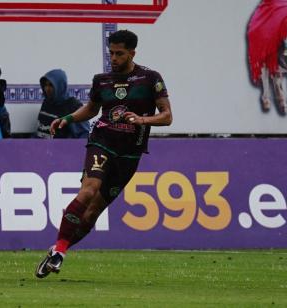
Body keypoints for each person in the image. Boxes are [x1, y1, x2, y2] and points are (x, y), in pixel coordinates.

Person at [35, 29, 173, 278]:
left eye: (120, 53)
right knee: (88, 190)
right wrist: (66, 118)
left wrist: (142, 119)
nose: (114, 58)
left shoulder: (150, 78)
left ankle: (58, 250)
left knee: (92, 214)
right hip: (102, 141)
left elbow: (167, 116)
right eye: (111, 53)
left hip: (130, 154)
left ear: (132, 53)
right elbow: (91, 109)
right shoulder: (102, 80)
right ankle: (60, 253)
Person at [35, 69, 90, 139]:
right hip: (40, 147)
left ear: (60, 85)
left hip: (61, 148)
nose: (47, 89)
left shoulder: (73, 106)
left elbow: (83, 135)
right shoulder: (47, 102)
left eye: (51, 85)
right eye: (45, 85)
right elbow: (40, 131)